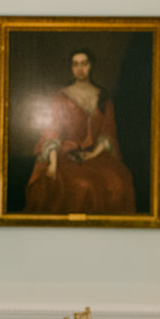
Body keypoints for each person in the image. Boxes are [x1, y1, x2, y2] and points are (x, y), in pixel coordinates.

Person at [24, 48, 136, 216]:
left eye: (84, 64)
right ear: (71, 68)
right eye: (75, 65)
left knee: (120, 181)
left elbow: (107, 133)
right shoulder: (61, 97)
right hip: (65, 155)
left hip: (95, 156)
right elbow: (51, 133)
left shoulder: (103, 96)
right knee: (84, 186)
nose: (80, 69)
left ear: (91, 66)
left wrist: (91, 155)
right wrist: (53, 164)